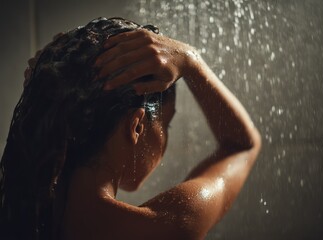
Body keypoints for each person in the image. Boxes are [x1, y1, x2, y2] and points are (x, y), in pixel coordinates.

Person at [0, 17, 261, 240]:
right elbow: (242, 146)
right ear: (136, 126)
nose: (166, 139)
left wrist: (52, 88)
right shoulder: (163, 228)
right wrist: (191, 61)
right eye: (166, 124)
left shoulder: (15, 210)